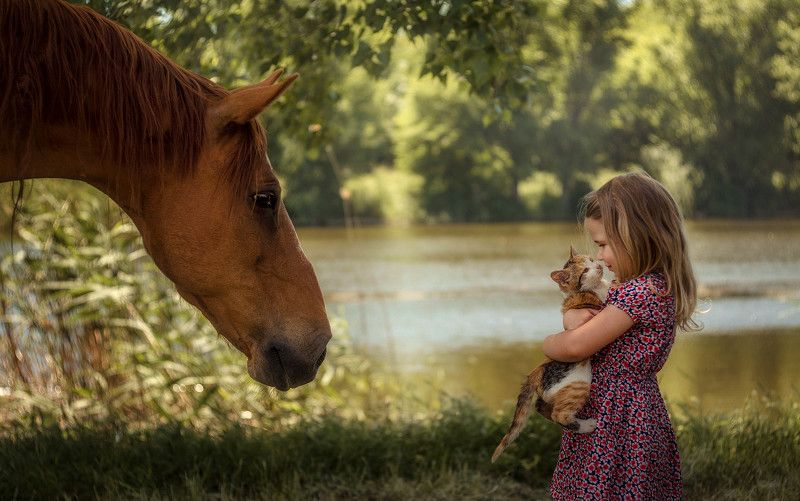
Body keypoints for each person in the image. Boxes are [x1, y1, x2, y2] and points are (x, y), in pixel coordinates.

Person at [542, 171, 699, 500]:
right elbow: (584, 321)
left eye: (602, 245)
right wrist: (573, 316)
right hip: (621, 412)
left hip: (621, 420)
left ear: (637, 236)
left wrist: (549, 343)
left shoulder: (640, 292)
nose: (599, 256)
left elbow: (575, 346)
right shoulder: (640, 287)